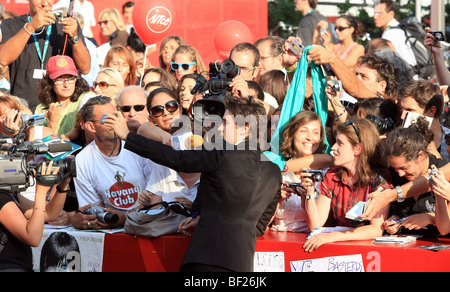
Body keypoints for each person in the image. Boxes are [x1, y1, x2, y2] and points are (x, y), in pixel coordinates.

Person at [106, 96, 281, 272]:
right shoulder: (274, 172)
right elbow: (258, 227)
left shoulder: (223, 153)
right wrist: (208, 219)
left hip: (206, 258)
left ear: (245, 128)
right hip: (240, 264)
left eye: (226, 123)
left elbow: (178, 158)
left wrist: (128, 136)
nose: (219, 128)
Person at [301, 118, 392, 252]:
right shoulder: (333, 175)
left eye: (340, 143)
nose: (333, 148)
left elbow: (376, 229)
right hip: (340, 249)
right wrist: (309, 193)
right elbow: (316, 224)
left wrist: (333, 236)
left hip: (367, 251)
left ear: (357, 149)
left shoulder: (379, 179)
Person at [71, 95, 154, 230]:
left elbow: (157, 195)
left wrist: (126, 217)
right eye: (107, 119)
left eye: (116, 116)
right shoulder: (82, 160)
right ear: (91, 126)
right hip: (112, 229)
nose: (115, 123)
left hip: (149, 222)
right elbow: (94, 209)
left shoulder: (138, 147)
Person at [0, 0, 91, 111]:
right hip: (23, 109)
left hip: (58, 109)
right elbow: (4, 59)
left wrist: (75, 37)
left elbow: (85, 68)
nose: (44, 3)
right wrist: (30, 27)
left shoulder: (66, 24)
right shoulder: (11, 24)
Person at [0, 161, 71, 272]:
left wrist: (63, 185)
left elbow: (49, 213)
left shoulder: (10, 194)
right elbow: (33, 238)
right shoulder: (1, 198)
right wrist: (41, 191)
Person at [383, 119, 447, 237]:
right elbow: (396, 213)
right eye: (395, 168)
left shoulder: (443, 174)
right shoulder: (393, 175)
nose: (400, 174)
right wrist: (395, 221)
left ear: (420, 156)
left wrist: (430, 218)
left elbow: (446, 226)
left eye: (404, 168)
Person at [271, 111, 329, 233]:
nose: (310, 137)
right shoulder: (276, 171)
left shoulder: (327, 175)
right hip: (275, 243)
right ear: (292, 134)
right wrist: (277, 200)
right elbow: (260, 223)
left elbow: (317, 227)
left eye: (316, 133)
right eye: (304, 131)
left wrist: (309, 197)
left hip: (309, 244)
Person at [35, 55, 90, 136]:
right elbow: (41, 144)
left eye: (71, 78)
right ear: (49, 82)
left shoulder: (86, 98)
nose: (66, 84)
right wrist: (52, 123)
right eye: (60, 79)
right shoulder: (41, 109)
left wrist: (66, 137)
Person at [399, 80, 450, 161]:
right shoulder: (398, 139)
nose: (402, 116)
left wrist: (431, 149)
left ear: (431, 111)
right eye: (402, 109)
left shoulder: (448, 139)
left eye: (410, 110)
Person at [373, 0, 416, 68]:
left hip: (406, 76)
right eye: (374, 13)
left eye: (379, 13)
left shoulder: (390, 34)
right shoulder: (398, 28)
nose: (375, 17)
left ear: (391, 14)